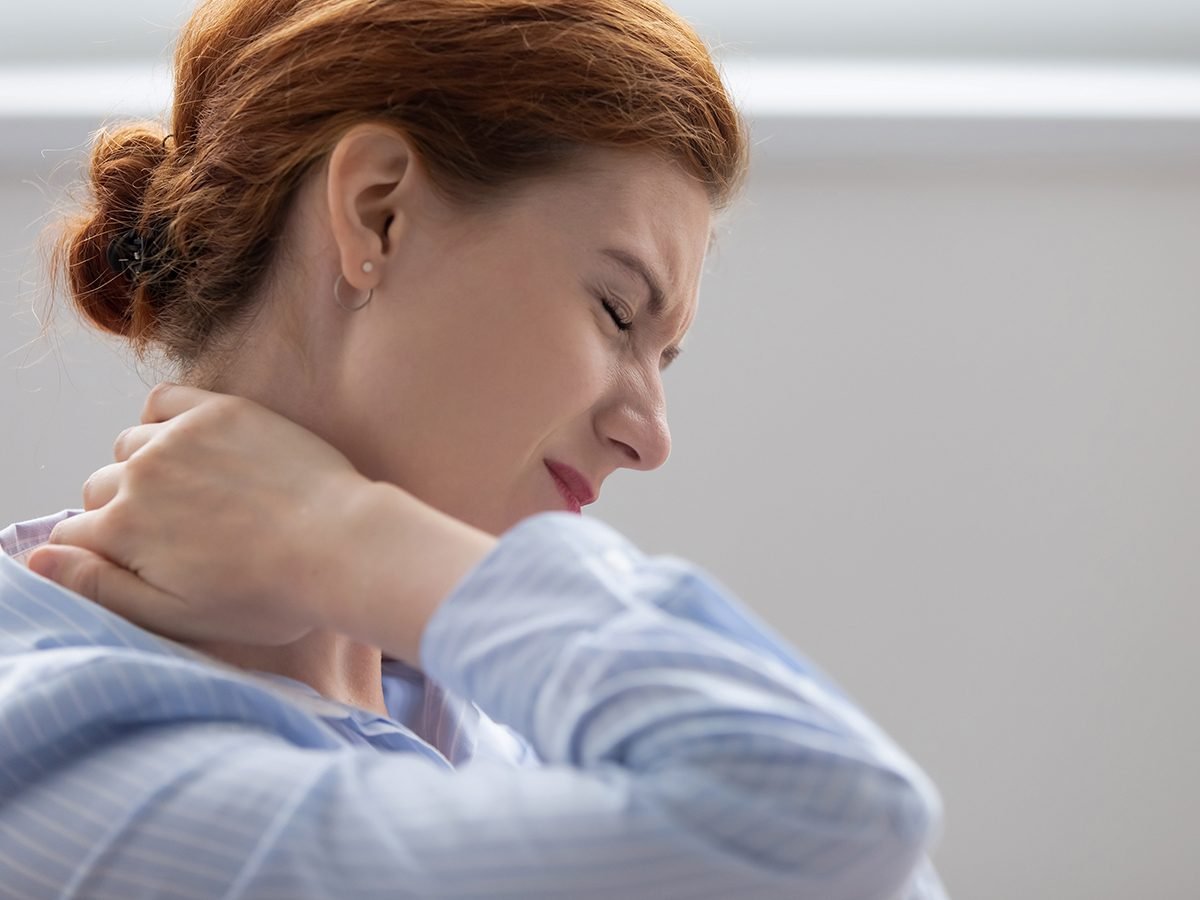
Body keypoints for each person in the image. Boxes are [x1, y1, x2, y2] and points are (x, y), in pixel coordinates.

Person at [0, 0, 949, 897]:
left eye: (665, 358)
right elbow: (842, 819)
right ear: (378, 213)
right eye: (617, 311)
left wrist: (350, 551)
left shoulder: (477, 710)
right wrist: (341, 533)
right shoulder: (55, 746)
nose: (650, 434)